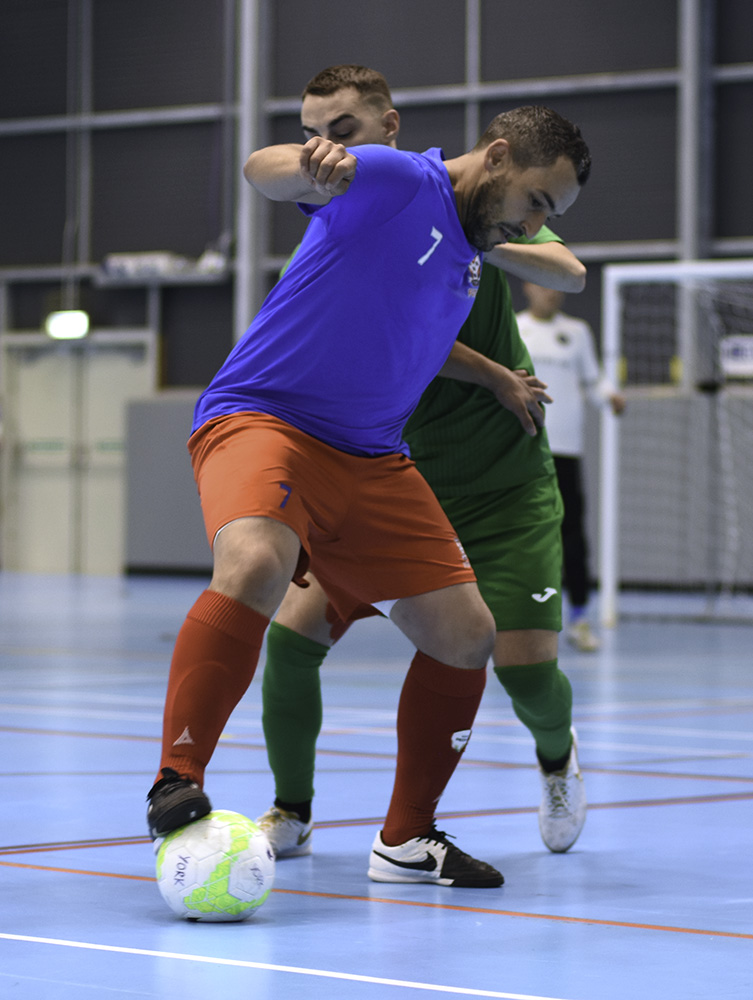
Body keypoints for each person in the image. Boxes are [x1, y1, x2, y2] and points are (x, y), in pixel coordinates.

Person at [145, 93, 591, 890]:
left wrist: (495, 373)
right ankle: (177, 778)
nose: (531, 225)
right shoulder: (400, 180)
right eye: (533, 202)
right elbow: (264, 170)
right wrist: (306, 161)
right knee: (256, 562)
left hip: (372, 456)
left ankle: (406, 839)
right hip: (269, 418)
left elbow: (456, 315)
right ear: (495, 158)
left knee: (466, 635)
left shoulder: (469, 254)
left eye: (546, 214)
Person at [517, 282, 625, 652]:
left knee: (573, 538)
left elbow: (594, 382)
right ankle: (517, 619)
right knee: (521, 537)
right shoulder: (514, 328)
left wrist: (610, 397)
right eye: (544, 285)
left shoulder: (577, 332)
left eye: (557, 286)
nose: (552, 292)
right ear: (528, 287)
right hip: (523, 451)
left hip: (566, 452)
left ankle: (579, 618)